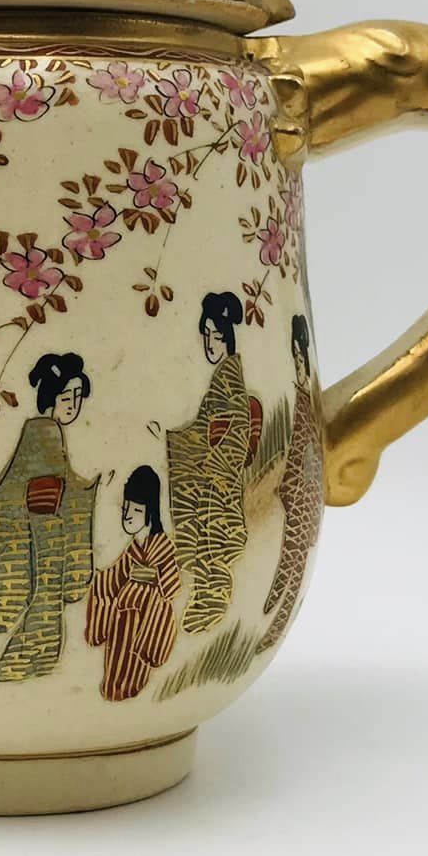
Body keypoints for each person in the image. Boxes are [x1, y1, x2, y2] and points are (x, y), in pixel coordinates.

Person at [0, 352, 98, 682]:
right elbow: (18, 493)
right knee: (45, 604)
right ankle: (33, 658)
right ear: (49, 398)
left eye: (77, 397)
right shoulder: (43, 434)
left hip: (47, 536)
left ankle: (33, 657)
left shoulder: (49, 434)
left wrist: (86, 489)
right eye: (66, 397)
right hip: (41, 538)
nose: (73, 406)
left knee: (45, 604)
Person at [159, 291, 251, 633]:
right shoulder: (220, 381)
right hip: (210, 478)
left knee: (213, 543)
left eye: (216, 335)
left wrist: (181, 443)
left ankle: (211, 602)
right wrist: (177, 437)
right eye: (206, 335)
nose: (210, 343)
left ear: (228, 337)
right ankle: (204, 598)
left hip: (217, 484)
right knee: (204, 546)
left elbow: (232, 435)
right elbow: (205, 430)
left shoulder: (230, 382)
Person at [84, 467, 183, 701]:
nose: (128, 516)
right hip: (121, 623)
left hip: (146, 624)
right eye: (126, 508)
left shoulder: (163, 549)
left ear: (151, 512)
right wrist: (101, 580)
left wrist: (152, 587)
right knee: (115, 666)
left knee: (133, 671)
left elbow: (172, 588)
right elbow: (111, 581)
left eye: (137, 510)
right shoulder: (131, 551)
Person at [258, 314, 323, 651]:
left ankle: (273, 627)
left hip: (303, 494)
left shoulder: (304, 398)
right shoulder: (299, 397)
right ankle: (272, 599)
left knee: (294, 562)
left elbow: (307, 448)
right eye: (295, 358)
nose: (298, 365)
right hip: (295, 492)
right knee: (288, 556)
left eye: (300, 358)